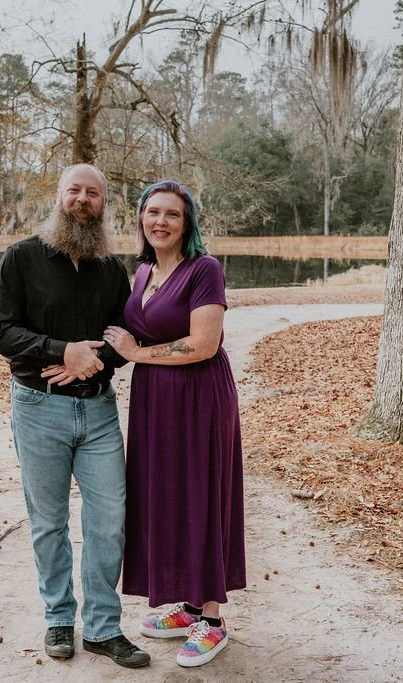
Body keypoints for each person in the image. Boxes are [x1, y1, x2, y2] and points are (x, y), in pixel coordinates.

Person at [0, 163, 151, 669]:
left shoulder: (110, 268)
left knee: (109, 521)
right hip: (38, 408)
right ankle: (59, 618)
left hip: (99, 411)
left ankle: (103, 628)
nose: (83, 199)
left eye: (93, 193)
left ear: (104, 203)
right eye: (74, 190)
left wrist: (94, 360)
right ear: (59, 197)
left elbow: (127, 335)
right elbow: (0, 330)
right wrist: (59, 351)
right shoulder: (23, 257)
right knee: (49, 521)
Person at [102, 180, 246, 668]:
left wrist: (138, 353)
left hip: (199, 396)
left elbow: (204, 343)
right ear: (141, 218)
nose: (160, 221)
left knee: (202, 494)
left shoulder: (204, 270)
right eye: (153, 212)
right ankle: (186, 606)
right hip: (154, 401)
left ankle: (212, 619)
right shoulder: (142, 273)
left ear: (188, 224)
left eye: (173, 215)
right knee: (167, 495)